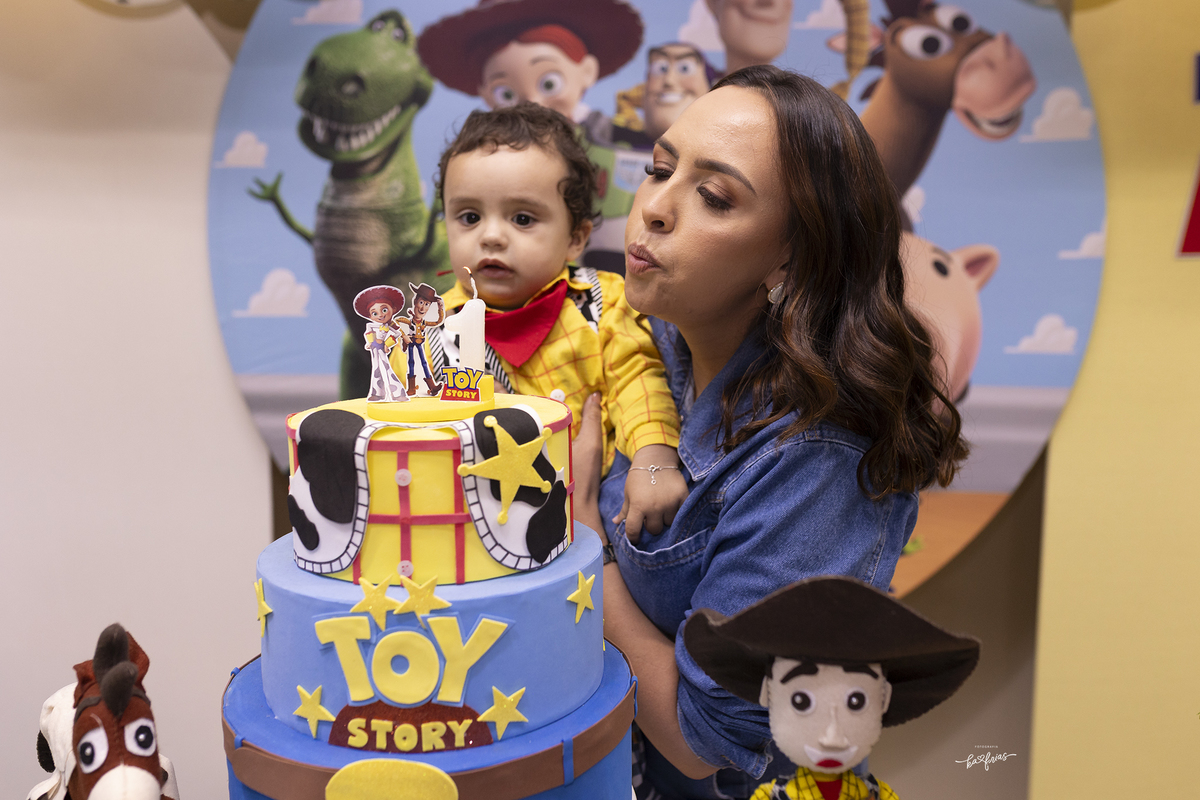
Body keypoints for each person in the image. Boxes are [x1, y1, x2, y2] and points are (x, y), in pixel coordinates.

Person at [571, 66, 968, 799]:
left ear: (791, 255)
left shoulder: (821, 457)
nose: (653, 208)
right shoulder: (645, 346)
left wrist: (583, 544)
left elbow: (704, 742)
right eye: (659, 169)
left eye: (714, 197)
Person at [430, 102, 689, 538]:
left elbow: (636, 382)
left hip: (601, 503)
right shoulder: (432, 332)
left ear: (575, 238)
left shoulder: (602, 302)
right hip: (483, 516)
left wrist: (653, 460)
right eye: (469, 217)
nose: (490, 236)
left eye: (523, 218)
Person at [352, 285, 409, 403]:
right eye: (374, 313)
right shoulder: (371, 325)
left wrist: (387, 344)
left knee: (386, 368)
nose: (380, 315)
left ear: (393, 310)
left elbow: (396, 334)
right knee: (376, 369)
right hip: (374, 348)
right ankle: (377, 394)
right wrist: (370, 343)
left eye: (384, 310)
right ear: (369, 316)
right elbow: (369, 333)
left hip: (382, 348)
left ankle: (398, 393)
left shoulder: (389, 327)